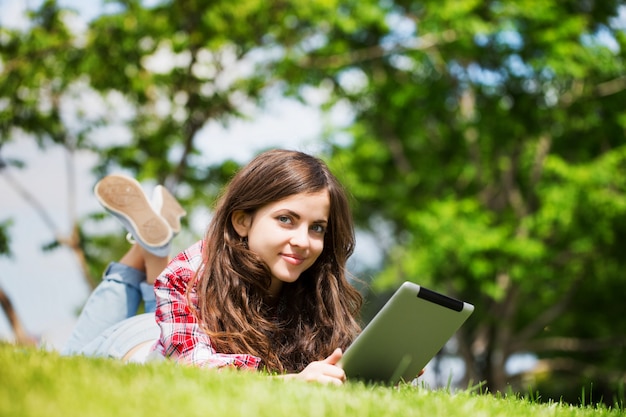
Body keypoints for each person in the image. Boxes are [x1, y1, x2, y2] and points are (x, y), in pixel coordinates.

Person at [62, 149, 363, 385]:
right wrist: (292, 382)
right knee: (71, 361)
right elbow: (194, 369)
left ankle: (150, 246)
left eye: (317, 228)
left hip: (179, 327)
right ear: (242, 220)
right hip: (137, 341)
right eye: (286, 219)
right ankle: (151, 248)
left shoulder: (314, 285)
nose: (303, 241)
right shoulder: (187, 275)